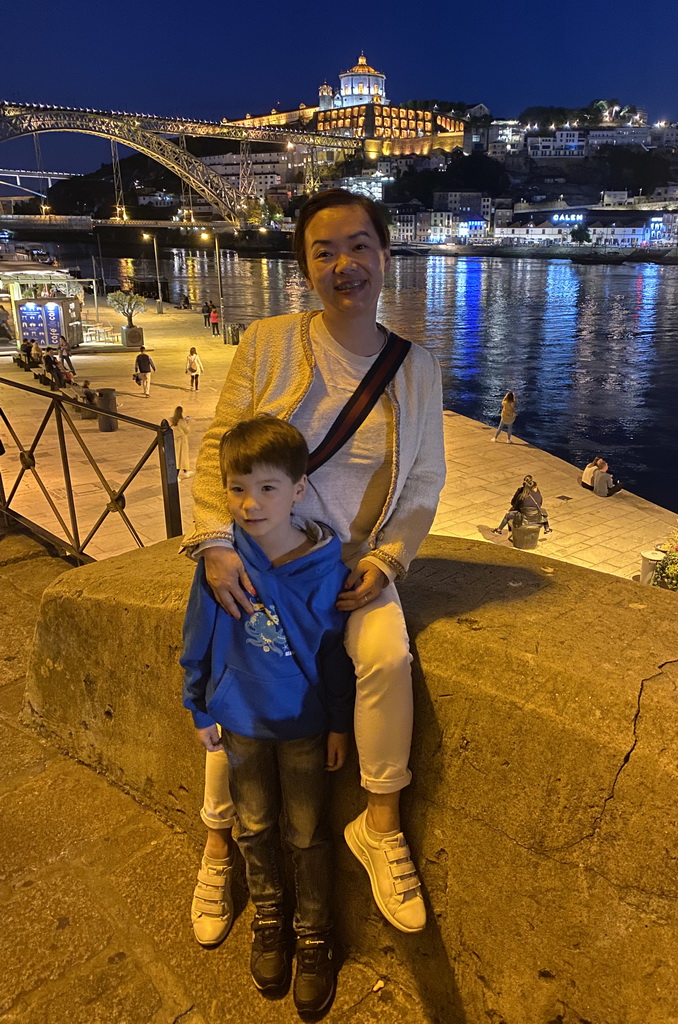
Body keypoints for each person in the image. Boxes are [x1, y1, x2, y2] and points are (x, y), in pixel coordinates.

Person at [182, 188, 446, 940]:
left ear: (385, 256)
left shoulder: (415, 367)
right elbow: (218, 452)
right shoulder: (269, 341)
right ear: (305, 268)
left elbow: (425, 481)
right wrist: (219, 545)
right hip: (264, 563)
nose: (344, 264)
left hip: (352, 567)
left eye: (359, 246)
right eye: (323, 252)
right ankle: (216, 844)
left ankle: (381, 824)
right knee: (242, 679)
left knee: (387, 657)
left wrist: (389, 560)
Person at [181, 415, 355, 1014]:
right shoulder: (223, 561)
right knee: (253, 827)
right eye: (237, 489)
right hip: (242, 722)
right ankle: (270, 917)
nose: (250, 504)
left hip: (305, 724)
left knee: (308, 834)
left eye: (268, 488)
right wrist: (198, 701)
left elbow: (335, 655)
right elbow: (198, 635)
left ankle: (314, 932)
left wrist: (338, 721)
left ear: (299, 489)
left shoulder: (325, 567)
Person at [170, 406, 192, 478]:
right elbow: (187, 430)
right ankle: (177, 475)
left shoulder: (173, 420)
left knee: (179, 458)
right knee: (181, 459)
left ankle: (186, 471)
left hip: (177, 442)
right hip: (182, 442)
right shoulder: (181, 421)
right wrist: (187, 422)